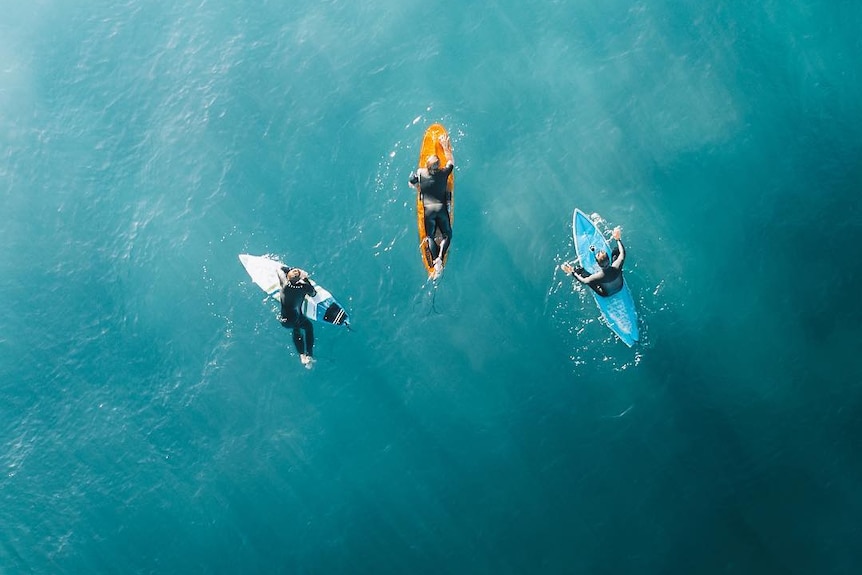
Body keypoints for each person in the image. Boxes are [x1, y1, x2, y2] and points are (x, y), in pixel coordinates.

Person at [409, 133, 454, 278]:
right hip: (441, 208)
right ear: (438, 167)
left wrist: (418, 187)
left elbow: (411, 183)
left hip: (428, 210)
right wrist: (445, 147)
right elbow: (451, 162)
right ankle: (440, 257)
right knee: (447, 235)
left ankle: (434, 261)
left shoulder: (421, 173)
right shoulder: (443, 173)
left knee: (430, 236)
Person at [561, 226, 626, 297]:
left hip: (606, 294)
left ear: (598, 264)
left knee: (582, 274)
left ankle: (583, 273)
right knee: (617, 251)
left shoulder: (597, 276)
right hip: (620, 287)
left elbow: (584, 281)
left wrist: (572, 272)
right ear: (608, 259)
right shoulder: (617, 265)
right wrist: (618, 239)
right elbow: (622, 252)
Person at [277, 266, 316, 368]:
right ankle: (309, 354)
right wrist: (305, 279)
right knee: (308, 327)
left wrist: (289, 270)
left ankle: (302, 355)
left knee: (296, 328)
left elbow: (279, 269)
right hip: (297, 318)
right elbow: (313, 293)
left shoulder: (284, 284)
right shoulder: (304, 287)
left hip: (284, 320)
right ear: (299, 279)